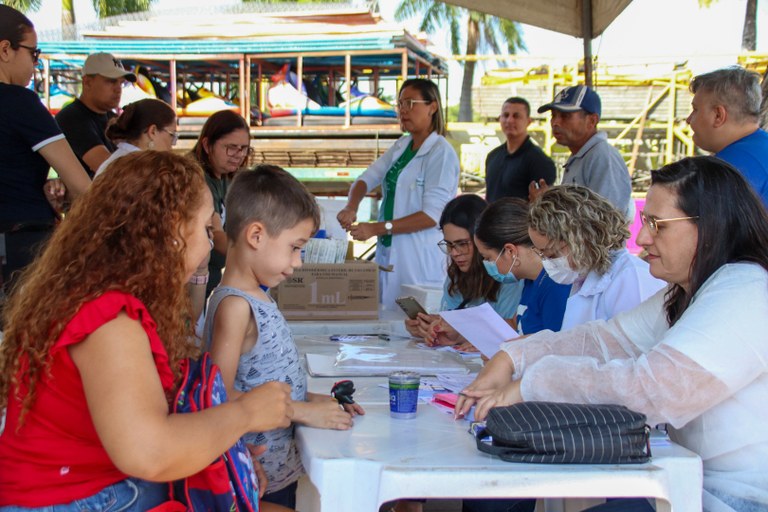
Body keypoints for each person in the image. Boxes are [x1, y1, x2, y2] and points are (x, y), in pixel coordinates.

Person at [456, 156, 768, 512]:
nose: (642, 237)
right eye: (645, 221)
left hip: (737, 500)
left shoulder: (743, 291)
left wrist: (533, 382)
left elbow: (653, 390)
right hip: (685, 484)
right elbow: (607, 339)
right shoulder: (689, 290)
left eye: (658, 225)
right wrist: (513, 356)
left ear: (710, 226)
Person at [0, 151, 294, 510]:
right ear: (171, 230)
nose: (208, 245)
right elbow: (150, 452)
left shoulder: (102, 297)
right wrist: (246, 414)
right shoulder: (109, 318)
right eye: (205, 228)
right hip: (80, 498)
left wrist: (221, 445)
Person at [204, 165, 365, 510]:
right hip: (256, 473)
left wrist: (319, 400)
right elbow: (217, 394)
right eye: (295, 247)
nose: (299, 262)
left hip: (277, 471)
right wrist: (303, 411)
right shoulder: (235, 306)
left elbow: (261, 379)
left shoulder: (255, 296)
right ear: (256, 236)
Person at [337, 78, 460, 309]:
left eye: (410, 103)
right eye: (400, 104)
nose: (403, 110)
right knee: (391, 320)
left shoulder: (441, 153)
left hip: (419, 259)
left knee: (417, 326)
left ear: (432, 107)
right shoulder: (402, 146)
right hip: (392, 251)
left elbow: (432, 216)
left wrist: (376, 228)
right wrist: (351, 207)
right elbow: (366, 179)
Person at [0, 6, 91, 295]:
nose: (35, 64)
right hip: (23, 246)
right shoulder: (20, 102)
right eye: (33, 53)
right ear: (5, 50)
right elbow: (82, 185)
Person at [528, 185, 664, 331]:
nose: (548, 262)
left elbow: (634, 346)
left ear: (581, 239)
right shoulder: (584, 278)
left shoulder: (631, 279)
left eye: (552, 254)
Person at [405, 194, 524, 347]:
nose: (455, 253)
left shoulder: (507, 275)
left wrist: (463, 333)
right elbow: (453, 322)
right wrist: (433, 326)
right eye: (449, 244)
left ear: (482, 238)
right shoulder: (455, 276)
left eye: (462, 243)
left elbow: (508, 330)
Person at [474, 197, 571, 335]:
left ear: (510, 251)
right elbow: (517, 324)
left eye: (487, 258)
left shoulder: (556, 284)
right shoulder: (531, 280)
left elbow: (555, 345)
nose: (487, 264)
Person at [534, 85, 632, 216]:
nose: (555, 122)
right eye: (554, 115)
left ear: (592, 120)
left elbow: (606, 223)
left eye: (565, 116)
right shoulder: (584, 155)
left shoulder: (602, 157)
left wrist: (548, 204)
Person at [190, 110, 252, 297]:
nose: (238, 155)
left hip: (211, 279)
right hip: (190, 282)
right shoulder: (194, 178)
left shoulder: (226, 176)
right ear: (207, 145)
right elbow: (216, 235)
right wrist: (254, 257)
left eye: (244, 148)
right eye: (231, 147)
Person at [687, 66, 768, 205]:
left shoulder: (728, 168)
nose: (688, 119)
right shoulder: (761, 148)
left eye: (695, 110)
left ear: (718, 115)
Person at [55, 52, 136, 177]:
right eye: (111, 81)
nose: (118, 89)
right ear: (87, 82)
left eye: (121, 83)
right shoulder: (71, 118)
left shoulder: (113, 118)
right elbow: (106, 166)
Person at [484, 97, 556, 202]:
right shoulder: (492, 156)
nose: (510, 120)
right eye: (506, 115)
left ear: (528, 121)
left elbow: (542, 206)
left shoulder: (540, 161)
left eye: (516, 116)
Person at [95, 98, 177, 176]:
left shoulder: (120, 158)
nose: (172, 145)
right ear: (153, 131)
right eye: (171, 135)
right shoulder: (142, 168)